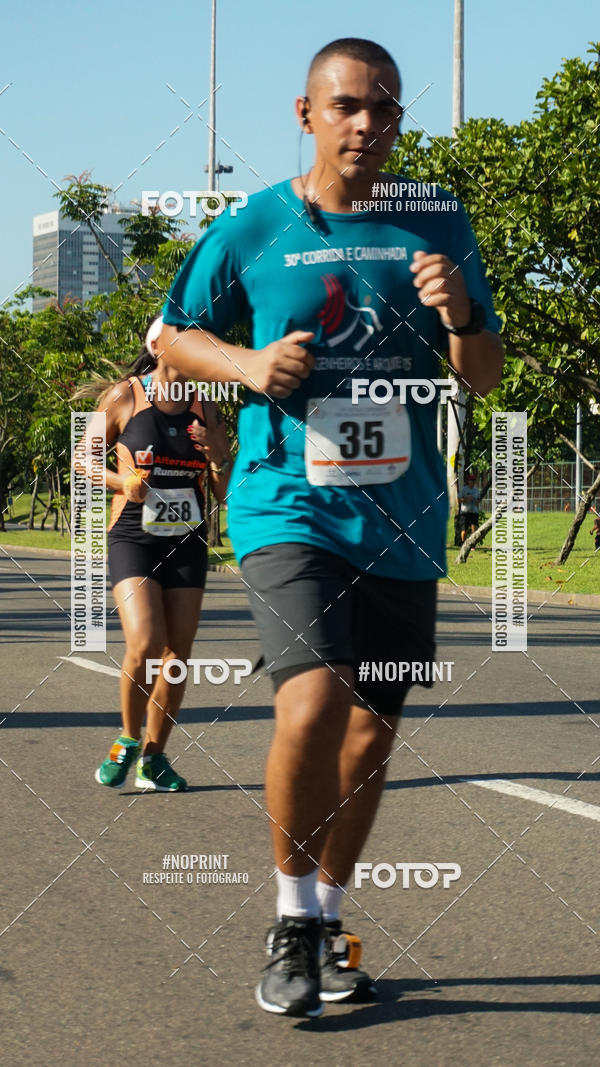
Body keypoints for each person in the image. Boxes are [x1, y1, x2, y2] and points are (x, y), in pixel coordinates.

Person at [159, 37, 503, 1015]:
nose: (367, 124)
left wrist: (464, 312)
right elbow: (170, 333)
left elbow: (481, 373)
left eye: (385, 108)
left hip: (403, 515)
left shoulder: (436, 218)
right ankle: (289, 919)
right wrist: (245, 366)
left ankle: (328, 916)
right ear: (306, 115)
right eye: (347, 106)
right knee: (313, 705)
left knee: (371, 733)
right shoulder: (255, 224)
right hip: (286, 501)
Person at [85, 315, 232, 791]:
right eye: (191, 344)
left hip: (187, 540)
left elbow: (222, 491)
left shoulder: (204, 406)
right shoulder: (126, 396)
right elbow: (82, 458)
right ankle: (128, 739)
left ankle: (154, 757)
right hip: (133, 535)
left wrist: (217, 456)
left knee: (175, 657)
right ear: (162, 345)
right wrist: (122, 482)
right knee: (145, 642)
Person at [458, 471, 482, 543]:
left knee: (474, 529)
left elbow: (478, 499)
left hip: (474, 512)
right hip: (465, 512)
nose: (472, 482)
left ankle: (472, 545)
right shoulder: (464, 489)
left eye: (473, 480)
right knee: (464, 530)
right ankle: (463, 545)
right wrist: (466, 499)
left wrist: (477, 501)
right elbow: (458, 500)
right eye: (471, 480)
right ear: (468, 481)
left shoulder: (476, 490)